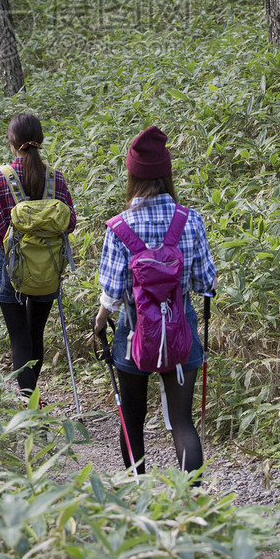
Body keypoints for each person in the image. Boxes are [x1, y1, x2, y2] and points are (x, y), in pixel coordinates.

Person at [93, 125, 215, 477]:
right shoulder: (190, 220)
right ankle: (193, 506)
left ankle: (139, 497)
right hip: (181, 332)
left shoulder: (119, 227)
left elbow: (113, 293)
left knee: (132, 418)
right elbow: (205, 283)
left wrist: (100, 322)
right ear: (167, 173)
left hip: (135, 336)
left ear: (132, 176)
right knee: (182, 422)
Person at [0, 112, 76, 398]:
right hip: (48, 265)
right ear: (40, 141)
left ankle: (30, 403)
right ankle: (30, 398)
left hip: (10, 266)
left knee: (19, 337)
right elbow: (69, 223)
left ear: (11, 142)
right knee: (35, 334)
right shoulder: (56, 178)